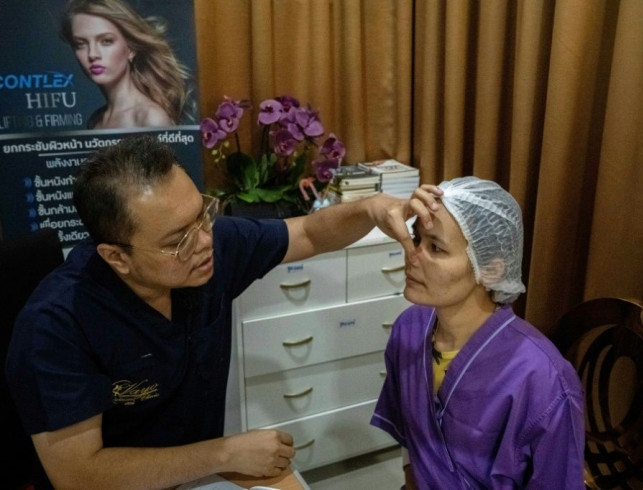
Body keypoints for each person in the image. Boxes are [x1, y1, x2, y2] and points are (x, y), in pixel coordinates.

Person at [4, 134, 434, 489]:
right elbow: (78, 475)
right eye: (178, 241)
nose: (205, 241)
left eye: (203, 215)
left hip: (195, 471)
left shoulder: (212, 248)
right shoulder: (56, 324)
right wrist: (226, 452)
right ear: (117, 257)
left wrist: (372, 208)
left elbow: (310, 233)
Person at [371, 176, 586, 489]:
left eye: (436, 247)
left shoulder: (543, 381)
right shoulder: (409, 330)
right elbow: (412, 440)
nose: (413, 256)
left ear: (491, 269)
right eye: (417, 239)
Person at [60, 0, 191, 129]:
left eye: (106, 41)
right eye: (80, 44)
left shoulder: (149, 119)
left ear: (131, 49)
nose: (92, 54)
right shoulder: (97, 121)